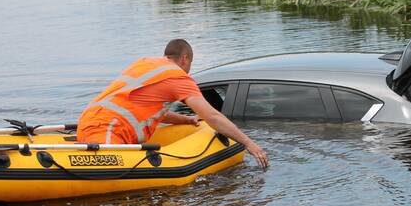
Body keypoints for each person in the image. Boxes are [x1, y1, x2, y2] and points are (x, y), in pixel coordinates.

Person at [77, 39, 269, 169]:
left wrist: (186, 120)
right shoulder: (177, 77)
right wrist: (250, 144)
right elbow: (213, 116)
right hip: (108, 131)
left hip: (90, 122)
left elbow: (152, 110)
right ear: (185, 59)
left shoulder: (146, 63)